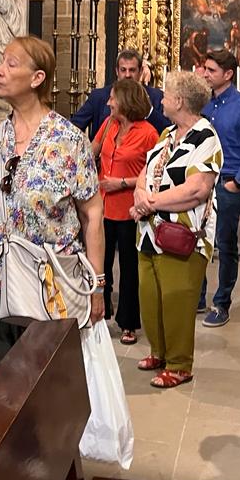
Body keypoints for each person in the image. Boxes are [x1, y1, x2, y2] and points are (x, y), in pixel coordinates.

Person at [0, 36, 106, 390]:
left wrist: (97, 284)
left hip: (45, 282)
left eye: (11, 64)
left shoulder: (68, 140)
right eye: (0, 62)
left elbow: (92, 212)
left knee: (41, 386)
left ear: (37, 77)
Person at [130, 70, 222, 389]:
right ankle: (160, 352)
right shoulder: (167, 134)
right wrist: (141, 193)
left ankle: (180, 364)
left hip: (183, 235)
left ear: (179, 101)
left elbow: (196, 190)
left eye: (166, 95)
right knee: (152, 298)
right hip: (149, 233)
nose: (162, 99)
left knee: (176, 300)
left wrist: (150, 201)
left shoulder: (205, 136)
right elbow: (145, 171)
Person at [198, 49, 240, 326]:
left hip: (228, 182)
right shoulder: (204, 104)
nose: (205, 74)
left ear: (228, 74)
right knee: (197, 239)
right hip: (203, 179)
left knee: (225, 245)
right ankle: (197, 296)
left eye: (211, 70)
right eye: (204, 68)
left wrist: (237, 181)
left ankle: (221, 303)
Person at [91, 78, 159, 344]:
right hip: (103, 206)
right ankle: (101, 313)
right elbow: (92, 151)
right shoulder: (109, 125)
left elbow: (154, 173)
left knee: (130, 269)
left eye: (113, 99)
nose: (108, 103)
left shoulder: (149, 133)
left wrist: (121, 183)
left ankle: (129, 322)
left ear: (126, 102)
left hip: (131, 209)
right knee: (101, 264)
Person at [71, 49, 169, 137]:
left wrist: (149, 111)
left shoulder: (156, 97)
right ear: (117, 72)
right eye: (123, 70)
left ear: (141, 72)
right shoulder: (98, 96)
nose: (127, 75)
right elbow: (73, 129)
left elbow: (168, 132)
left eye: (132, 70)